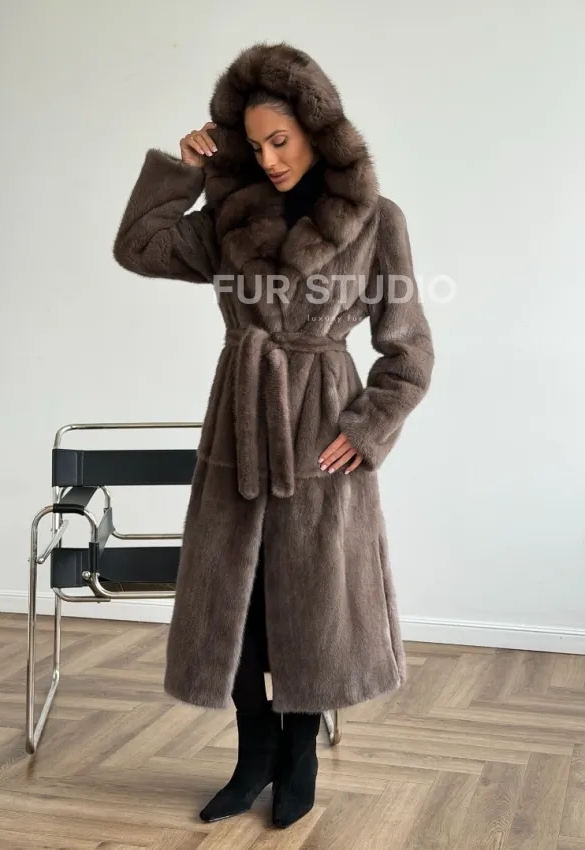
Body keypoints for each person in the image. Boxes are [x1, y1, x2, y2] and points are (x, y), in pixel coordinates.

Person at [112, 42, 434, 830]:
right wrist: (184, 173)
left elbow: (409, 350)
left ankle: (300, 755)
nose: (269, 159)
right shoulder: (233, 216)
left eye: (280, 141)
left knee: (311, 596)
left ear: (318, 129)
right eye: (254, 146)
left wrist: (369, 428)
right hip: (240, 417)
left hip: (322, 426)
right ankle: (252, 751)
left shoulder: (377, 221)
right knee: (238, 595)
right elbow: (139, 247)